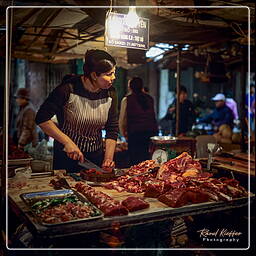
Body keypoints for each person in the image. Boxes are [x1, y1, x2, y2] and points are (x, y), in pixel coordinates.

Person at [35, 49, 118, 172]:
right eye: (109, 74)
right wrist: (67, 142)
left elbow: (112, 128)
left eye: (114, 73)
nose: (113, 77)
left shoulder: (111, 93)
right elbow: (42, 118)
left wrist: (108, 159)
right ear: (94, 75)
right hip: (67, 157)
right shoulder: (67, 89)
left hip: (95, 157)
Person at [119, 77, 158, 165]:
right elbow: (153, 117)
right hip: (149, 135)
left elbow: (122, 120)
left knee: (134, 162)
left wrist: (123, 134)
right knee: (146, 161)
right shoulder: (150, 99)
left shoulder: (127, 100)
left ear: (130, 87)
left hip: (134, 135)